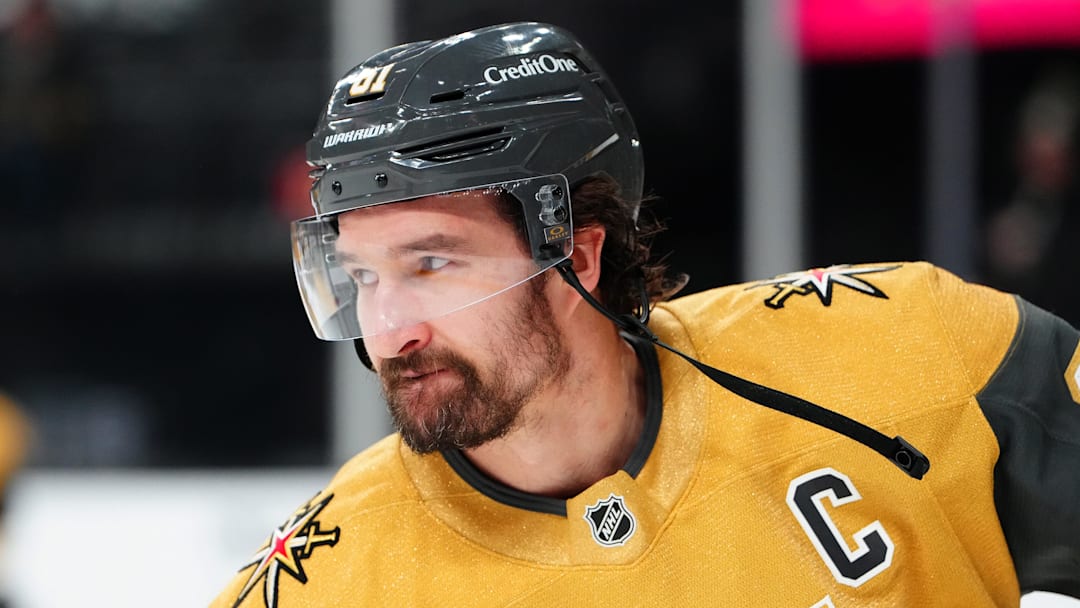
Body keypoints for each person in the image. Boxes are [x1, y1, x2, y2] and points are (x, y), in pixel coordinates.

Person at [212, 22, 1080, 607]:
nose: (389, 328)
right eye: (362, 277)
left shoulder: (902, 351)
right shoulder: (331, 578)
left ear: (578, 252)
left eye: (432, 262)